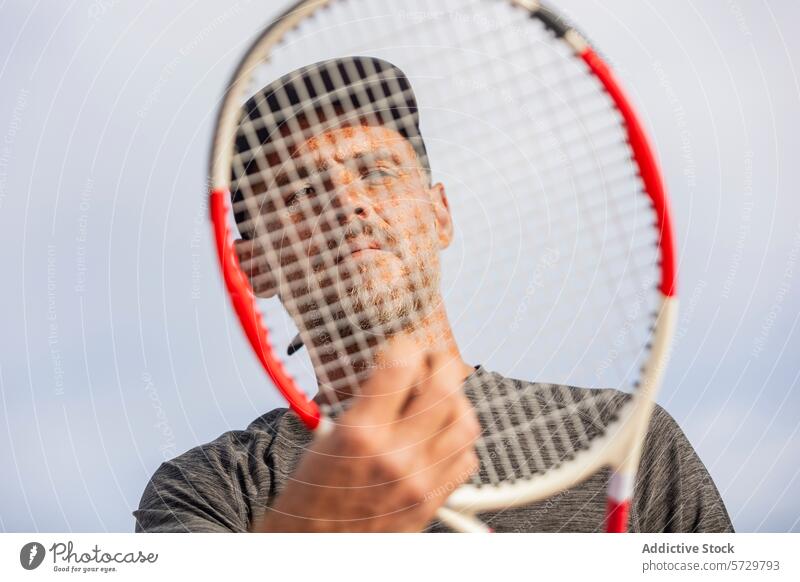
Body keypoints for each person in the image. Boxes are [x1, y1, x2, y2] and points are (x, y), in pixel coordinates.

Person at [133, 57, 733, 533]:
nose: (348, 204)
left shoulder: (623, 443)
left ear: (440, 215)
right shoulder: (209, 490)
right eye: (297, 193)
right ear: (252, 266)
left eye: (377, 173)